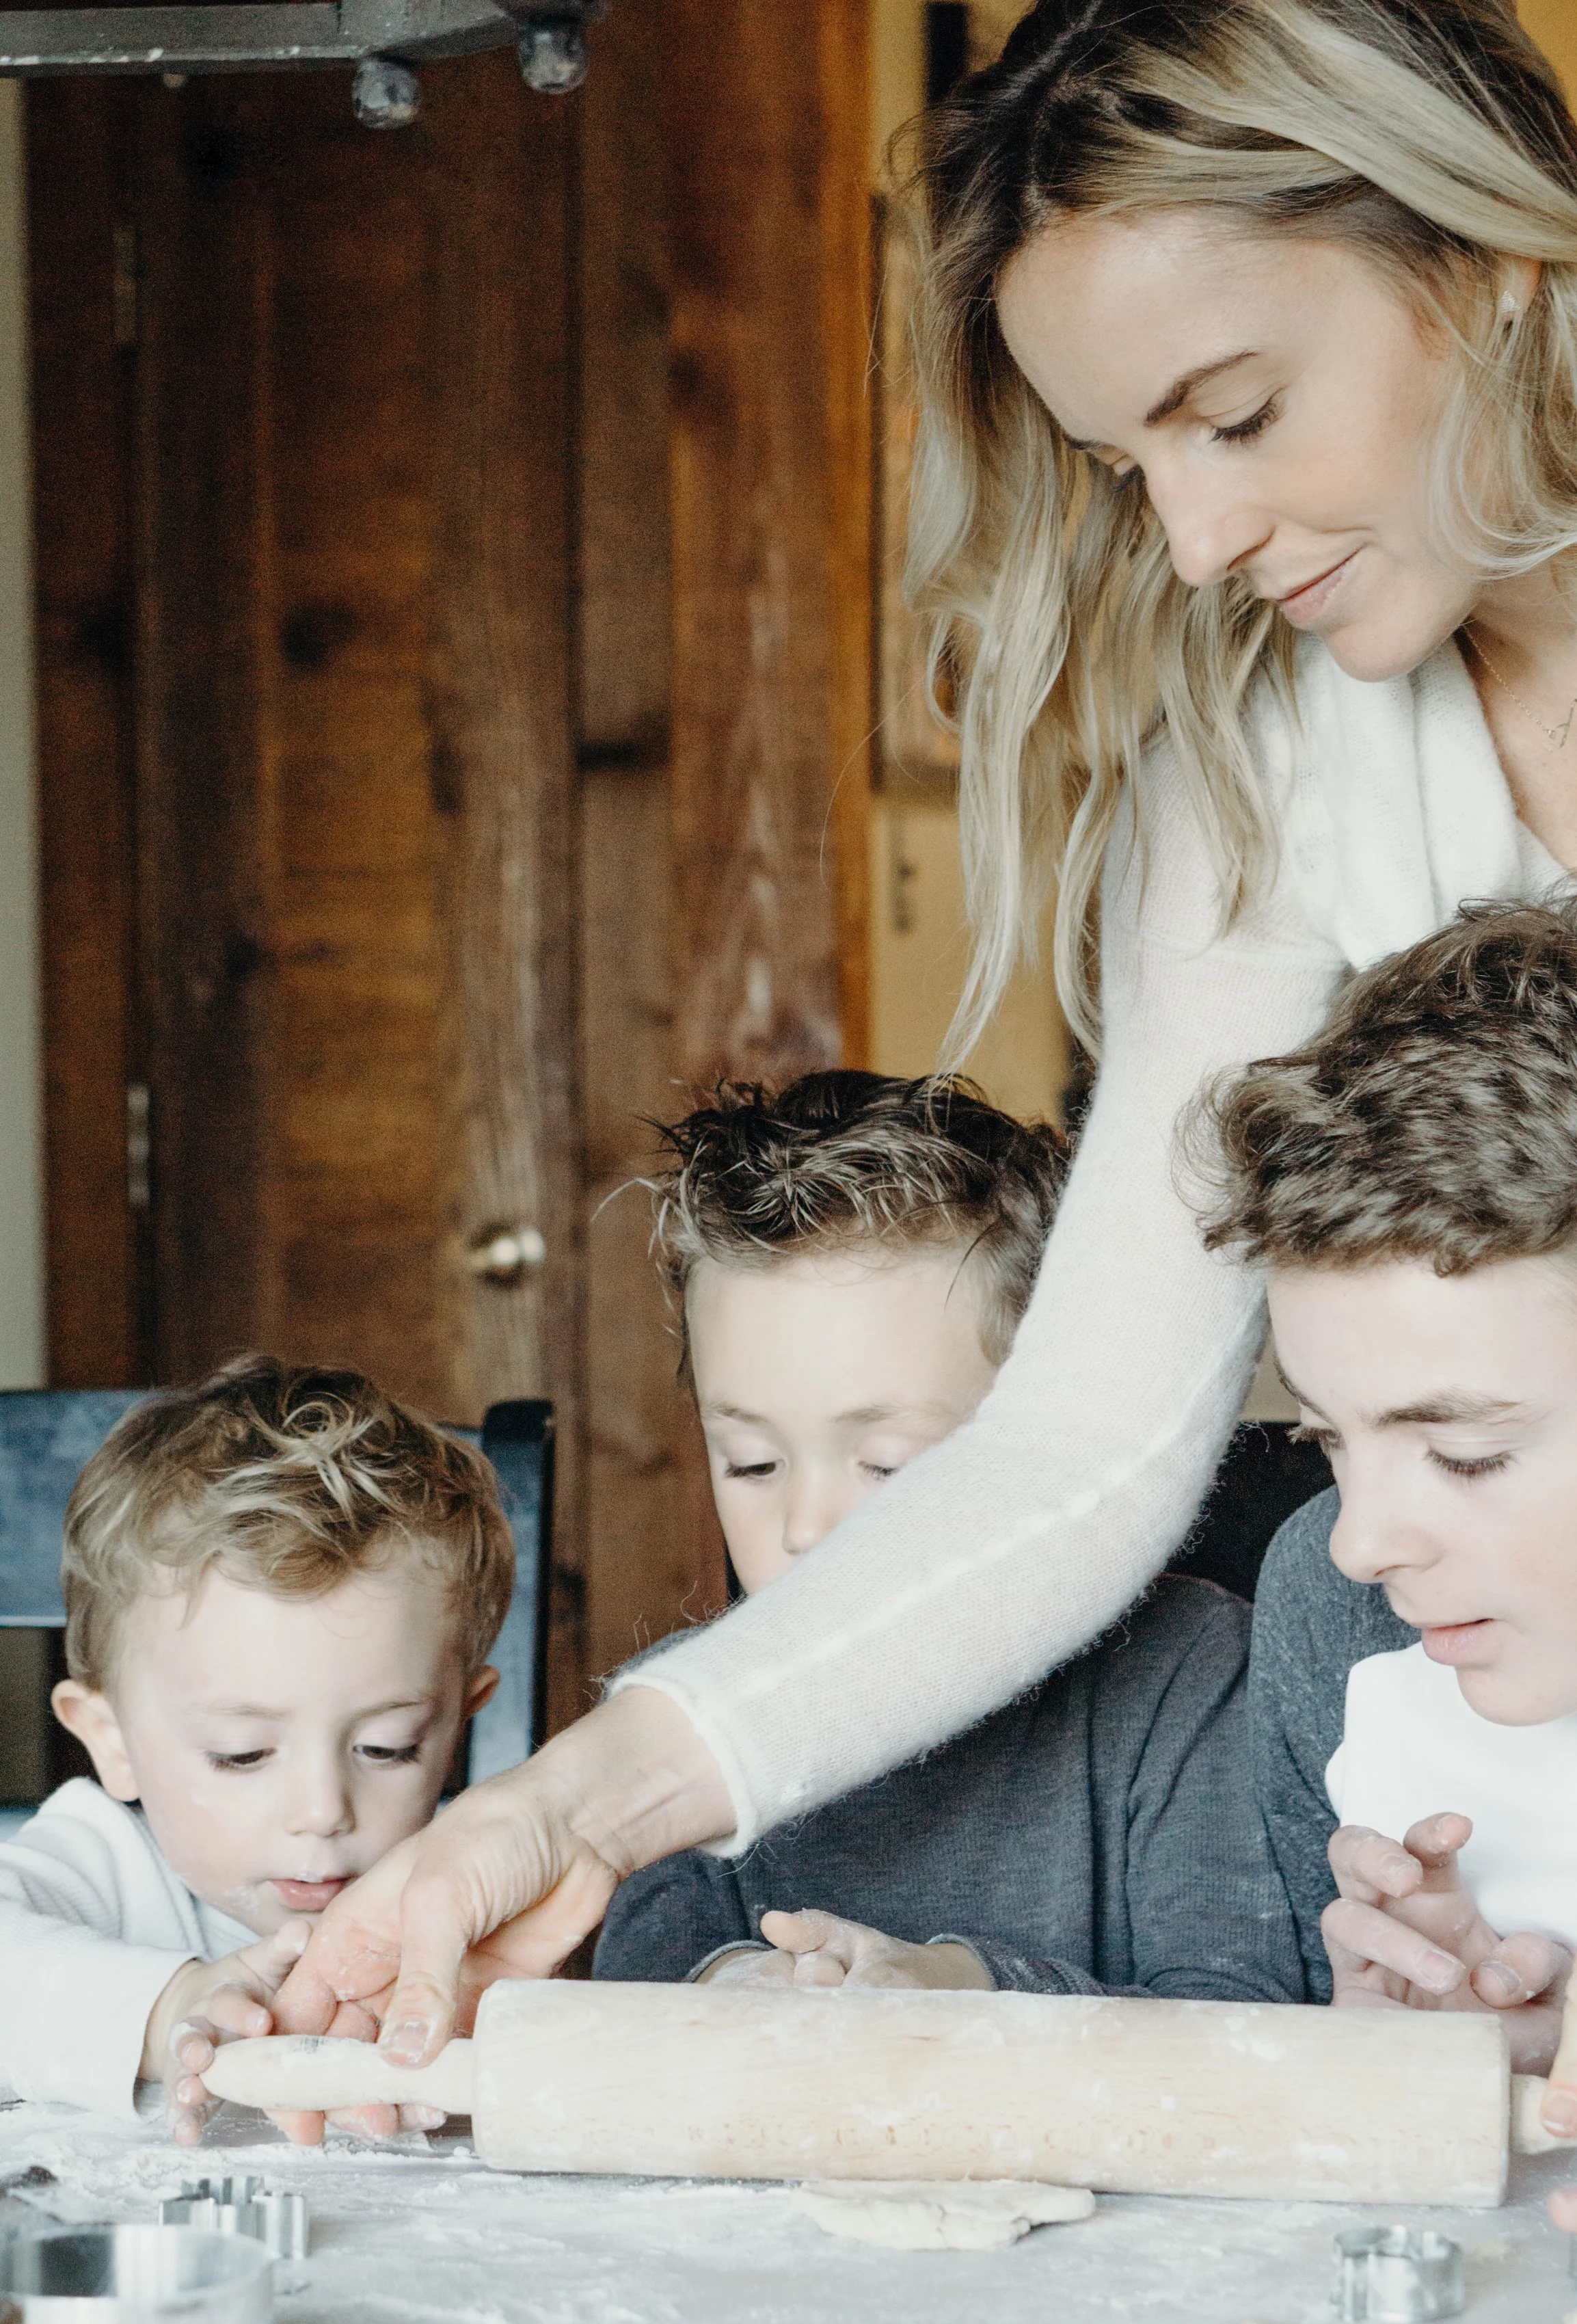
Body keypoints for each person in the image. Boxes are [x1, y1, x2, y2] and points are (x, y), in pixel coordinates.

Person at [272, 1, 1577, 2081]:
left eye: (1233, 411)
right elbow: (1074, 1445)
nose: (1196, 542)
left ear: (1496, 261)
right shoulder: (1267, 768)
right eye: (1125, 463)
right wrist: (559, 1810)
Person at [593, 1071, 1300, 2005]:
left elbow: (1240, 2009)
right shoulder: (683, 1710)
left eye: (887, 1465)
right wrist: (733, 1985)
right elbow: (623, 1994)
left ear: (1051, 1442)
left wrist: (964, 1989)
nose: (806, 1529)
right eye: (752, 1462)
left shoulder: (1190, 1679)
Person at [1188, 900, 1577, 2098]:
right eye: (1325, 1439)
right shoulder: (1328, 1608)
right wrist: (1454, 2060)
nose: (1361, 1542)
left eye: (1461, 1452)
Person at [0, 1357, 510, 2141]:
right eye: (242, 1754)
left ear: (459, 1722)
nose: (322, 1812)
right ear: (112, 1739)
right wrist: (169, 2009)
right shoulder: (99, 1863)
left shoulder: (475, 1893)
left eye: (387, 1748)